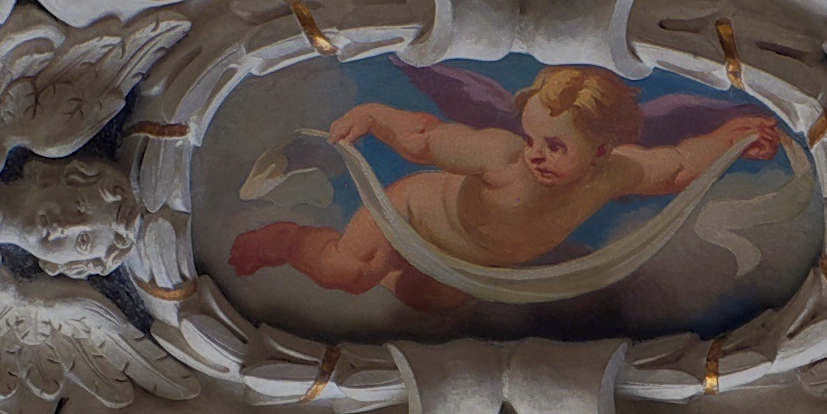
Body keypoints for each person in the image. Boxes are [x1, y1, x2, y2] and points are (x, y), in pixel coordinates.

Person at [228, 64, 783, 320]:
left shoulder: (617, 173)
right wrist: (373, 115)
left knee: (432, 302)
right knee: (349, 274)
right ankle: (286, 240)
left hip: (469, 265)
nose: (536, 153)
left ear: (600, 151)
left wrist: (729, 138)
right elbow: (424, 140)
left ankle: (415, 276)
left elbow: (679, 167)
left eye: (556, 146)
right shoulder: (503, 157)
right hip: (413, 219)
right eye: (534, 137)